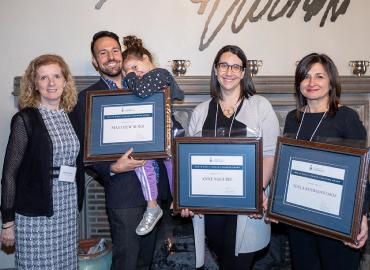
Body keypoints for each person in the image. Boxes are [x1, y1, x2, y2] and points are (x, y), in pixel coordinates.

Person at [183, 45, 280, 269]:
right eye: (224, 65)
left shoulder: (260, 106)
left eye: (236, 66)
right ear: (216, 70)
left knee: (238, 263)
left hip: (246, 210)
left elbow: (269, 154)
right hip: (210, 208)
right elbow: (188, 160)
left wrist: (255, 193)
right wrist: (186, 198)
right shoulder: (200, 111)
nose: (229, 71)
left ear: (244, 72)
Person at [72, 31, 160, 270]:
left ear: (121, 53)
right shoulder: (86, 99)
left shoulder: (144, 87)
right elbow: (82, 150)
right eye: (103, 53)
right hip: (123, 193)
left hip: (155, 195)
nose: (110, 57)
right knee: (126, 262)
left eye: (114, 50)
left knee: (145, 262)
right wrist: (112, 168)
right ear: (95, 61)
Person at [284, 52, 369, 270]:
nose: (311, 82)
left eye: (319, 76)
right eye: (306, 76)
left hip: (337, 221)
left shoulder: (346, 117)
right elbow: (286, 167)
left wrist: (362, 216)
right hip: (300, 219)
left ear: (331, 82)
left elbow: (362, 173)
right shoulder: (292, 119)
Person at [0, 54, 85, 269]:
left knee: (66, 264)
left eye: (56, 76)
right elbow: (9, 174)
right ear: (35, 84)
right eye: (43, 78)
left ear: (65, 81)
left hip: (67, 206)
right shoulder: (25, 119)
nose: (51, 83)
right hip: (35, 211)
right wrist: (7, 222)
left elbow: (80, 160)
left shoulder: (73, 116)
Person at [121, 35, 184, 236]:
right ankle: (152, 206)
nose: (136, 72)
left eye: (138, 66)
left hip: (167, 131)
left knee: (173, 164)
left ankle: (181, 197)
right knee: (141, 164)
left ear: (150, 61)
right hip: (145, 134)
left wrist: (128, 76)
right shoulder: (135, 85)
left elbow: (142, 89)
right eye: (129, 69)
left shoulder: (160, 74)